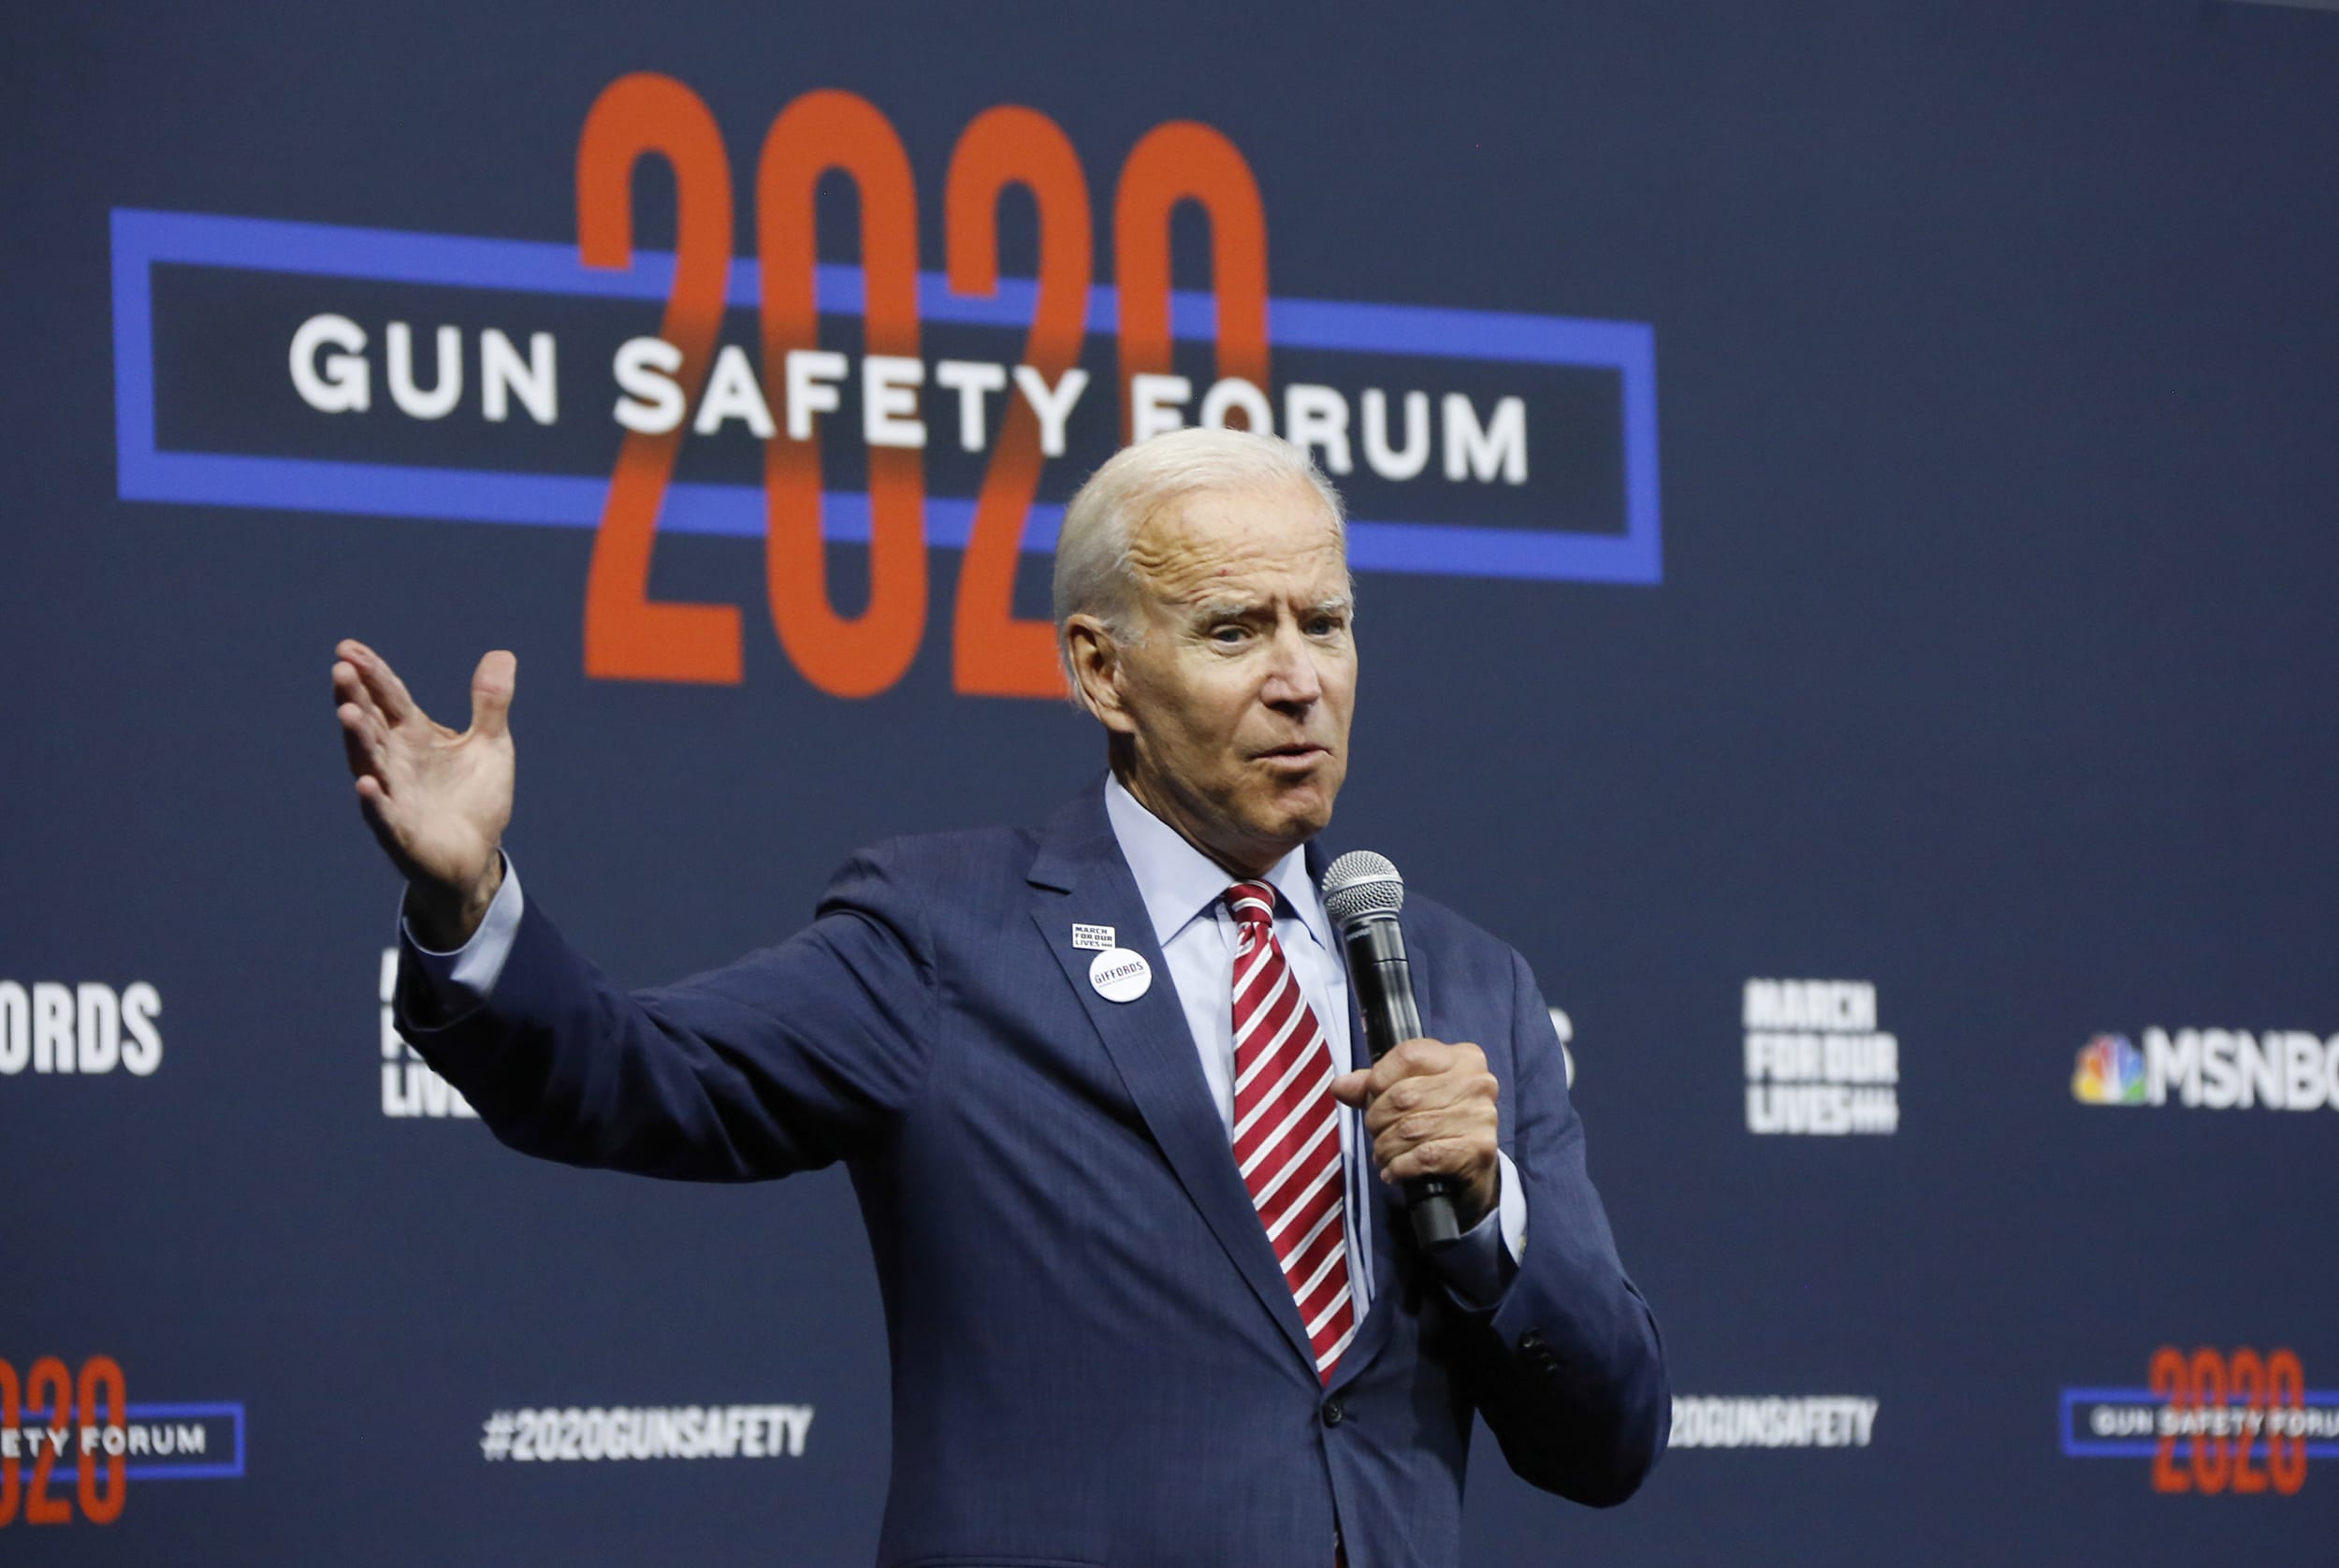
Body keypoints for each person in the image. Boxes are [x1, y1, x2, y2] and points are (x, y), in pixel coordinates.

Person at [330, 427, 1668, 1567]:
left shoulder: (1468, 984)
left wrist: (1489, 1218)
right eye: (1233, 629)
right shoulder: (945, 936)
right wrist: (469, 901)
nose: (1298, 677)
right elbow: (636, 1074)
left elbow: (1606, 1438)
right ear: (1101, 672)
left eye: (1325, 623)